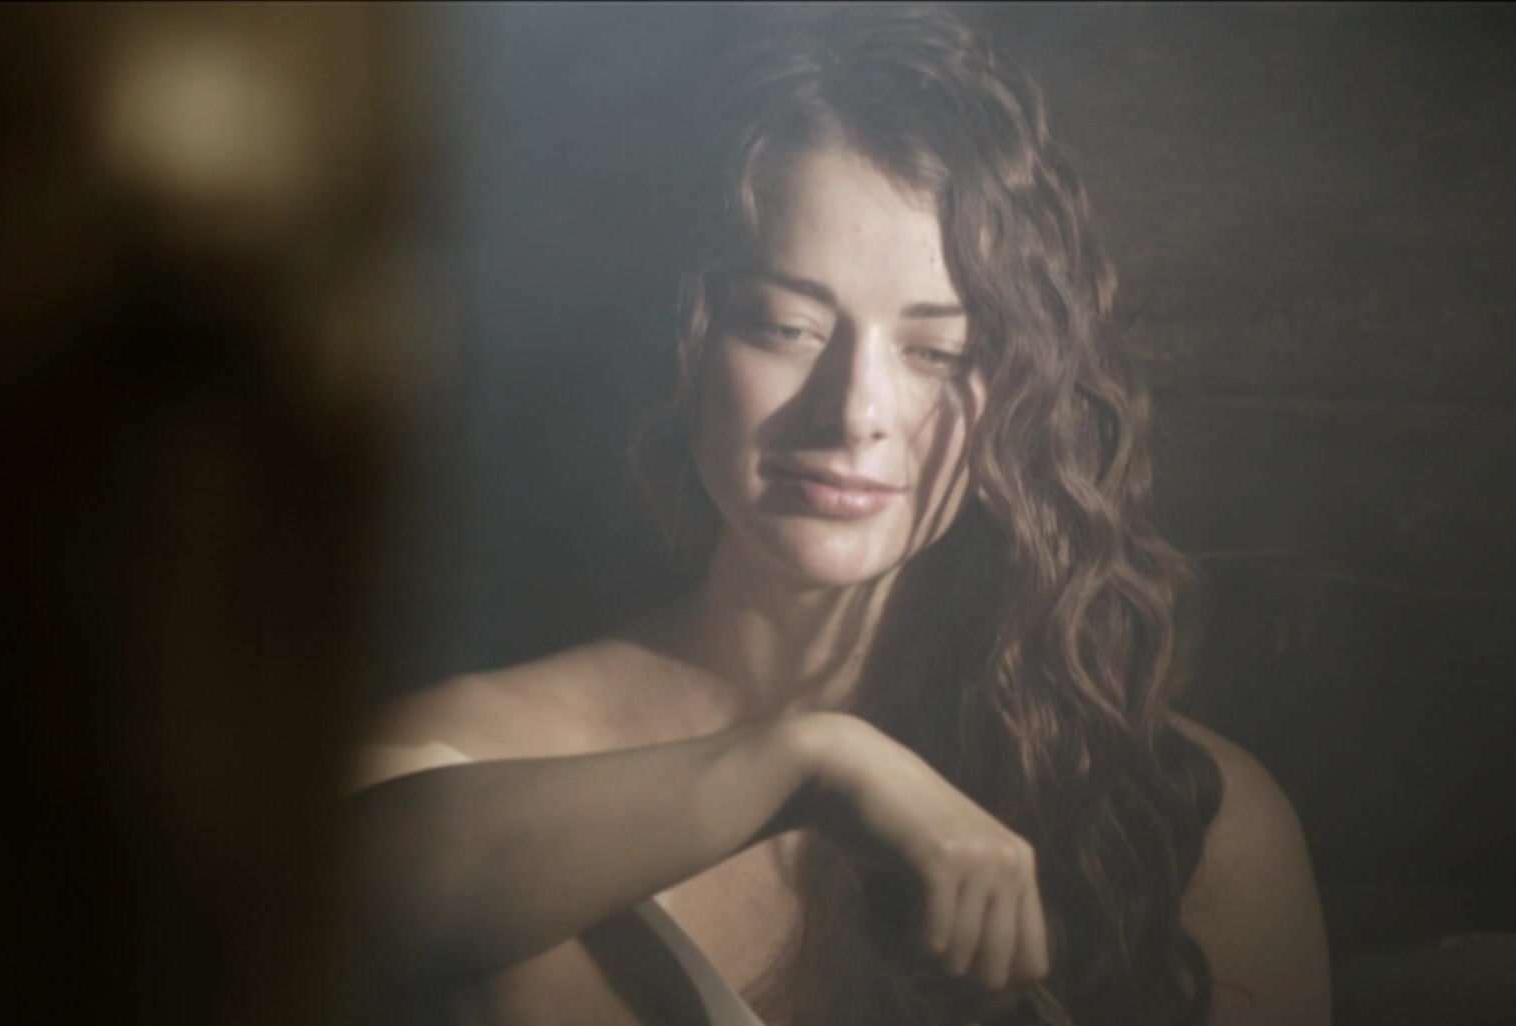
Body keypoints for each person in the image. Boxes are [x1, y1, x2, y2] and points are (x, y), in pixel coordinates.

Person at [347, 6, 1330, 1025]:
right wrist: (807, 761)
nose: (855, 411)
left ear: (1024, 392)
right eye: (786, 326)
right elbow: (322, 907)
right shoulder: (464, 758)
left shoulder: (1177, 825)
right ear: (688, 339)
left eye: (939, 352)